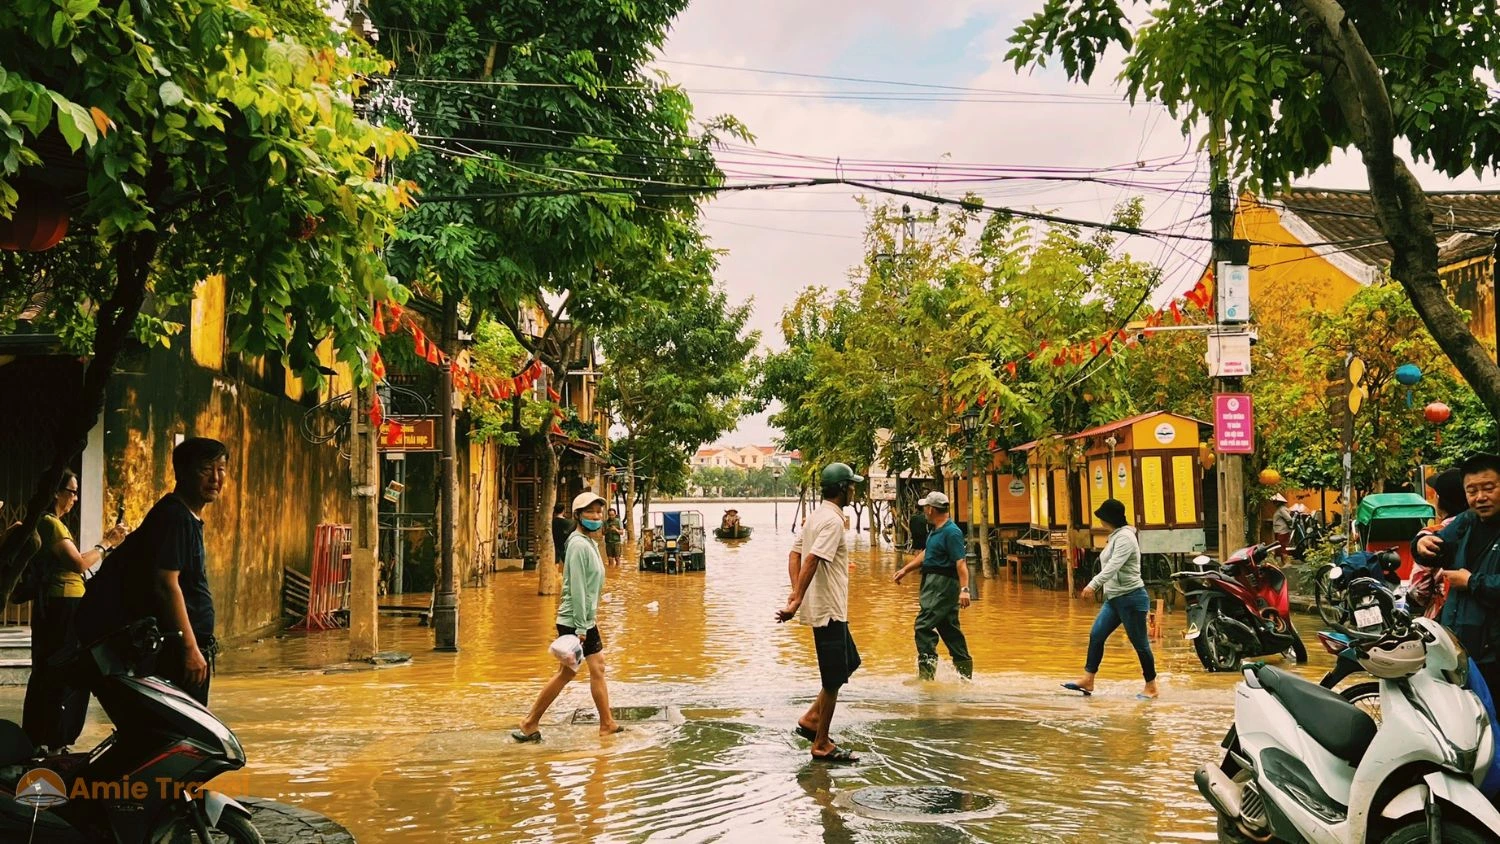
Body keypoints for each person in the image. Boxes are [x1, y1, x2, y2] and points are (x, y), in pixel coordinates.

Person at [78, 438, 227, 706]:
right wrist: (190, 647)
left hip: (179, 649)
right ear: (182, 472)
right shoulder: (175, 517)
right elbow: (166, 584)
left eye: (222, 469)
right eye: (206, 469)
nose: (216, 478)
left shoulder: (184, 517)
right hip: (175, 652)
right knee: (179, 740)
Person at [21, 470, 126, 751]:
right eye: (72, 491)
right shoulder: (51, 524)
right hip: (63, 607)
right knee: (65, 673)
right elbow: (78, 564)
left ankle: (43, 740)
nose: (75, 499)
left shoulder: (48, 523)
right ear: (56, 492)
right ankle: (54, 741)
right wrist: (107, 543)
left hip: (57, 605)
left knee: (49, 672)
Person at [513, 492, 623, 741]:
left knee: (593, 669)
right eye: (590, 512)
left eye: (599, 512)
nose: (596, 517)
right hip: (576, 621)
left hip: (583, 619)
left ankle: (606, 723)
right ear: (577, 516)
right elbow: (576, 587)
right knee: (572, 672)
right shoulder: (577, 545)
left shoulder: (589, 543)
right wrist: (583, 626)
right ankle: (530, 721)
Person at [777, 463, 863, 764]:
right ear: (842, 489)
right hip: (828, 609)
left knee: (849, 662)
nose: (854, 489)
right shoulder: (832, 522)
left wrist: (795, 591)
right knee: (833, 678)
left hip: (829, 606)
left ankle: (812, 718)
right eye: (851, 485)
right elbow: (810, 558)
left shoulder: (817, 516)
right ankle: (821, 743)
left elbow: (794, 554)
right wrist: (797, 599)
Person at [1414, 452, 1500, 694]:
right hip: (1461, 648)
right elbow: (1436, 545)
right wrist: (1421, 545)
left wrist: (1471, 582)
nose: (1480, 497)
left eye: (1489, 488)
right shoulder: (1467, 521)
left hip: (1494, 653)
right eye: (1472, 491)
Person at [1063, 498, 1157, 699]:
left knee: (1140, 644)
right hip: (1114, 599)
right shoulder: (1115, 536)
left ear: (1109, 519)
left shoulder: (1125, 538)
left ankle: (1151, 686)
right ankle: (1088, 680)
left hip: (1131, 598)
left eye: (1102, 518)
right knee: (1096, 635)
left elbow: (1113, 566)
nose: (1100, 521)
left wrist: (1093, 585)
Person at [892, 491, 972, 681]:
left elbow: (960, 563)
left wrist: (965, 590)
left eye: (925, 507)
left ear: (931, 509)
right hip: (933, 583)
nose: (924, 511)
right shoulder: (936, 531)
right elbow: (928, 553)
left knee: (923, 626)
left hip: (941, 585)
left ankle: (926, 678)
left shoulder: (952, 532)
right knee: (949, 629)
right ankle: (965, 679)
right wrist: (906, 569)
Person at [1410, 467, 1467, 619]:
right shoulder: (1484, 529)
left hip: (1442, 616)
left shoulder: (1431, 536)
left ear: (1441, 500)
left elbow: (1419, 590)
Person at [1270, 494, 1292, 562]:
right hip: (1279, 531)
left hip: (1282, 531)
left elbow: (1289, 519)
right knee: (1279, 547)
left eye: (1275, 502)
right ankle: (1282, 563)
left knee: (1282, 547)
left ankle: (1286, 563)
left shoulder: (1282, 509)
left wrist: (1289, 525)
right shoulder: (1280, 509)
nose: (1274, 503)